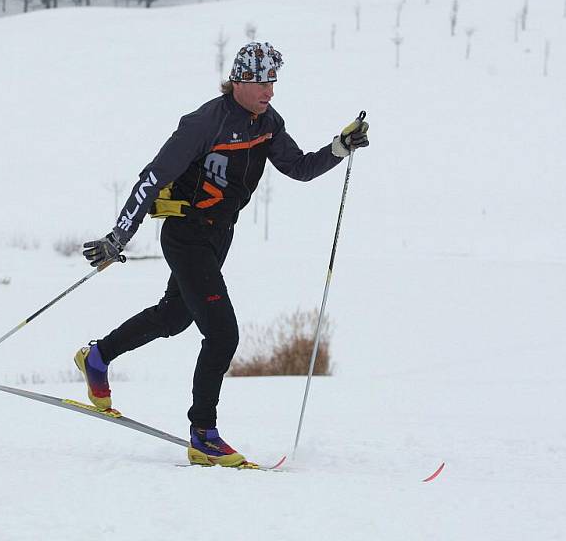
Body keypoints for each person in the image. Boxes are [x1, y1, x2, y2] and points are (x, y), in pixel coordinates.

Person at [76, 41, 369, 467]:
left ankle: (97, 356)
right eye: (261, 81)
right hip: (186, 234)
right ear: (238, 81)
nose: (270, 90)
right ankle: (203, 434)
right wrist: (119, 237)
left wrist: (340, 148)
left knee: (175, 317)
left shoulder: (268, 122)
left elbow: (300, 168)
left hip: (218, 237)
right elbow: (152, 178)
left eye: (273, 80)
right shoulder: (203, 123)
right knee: (223, 334)